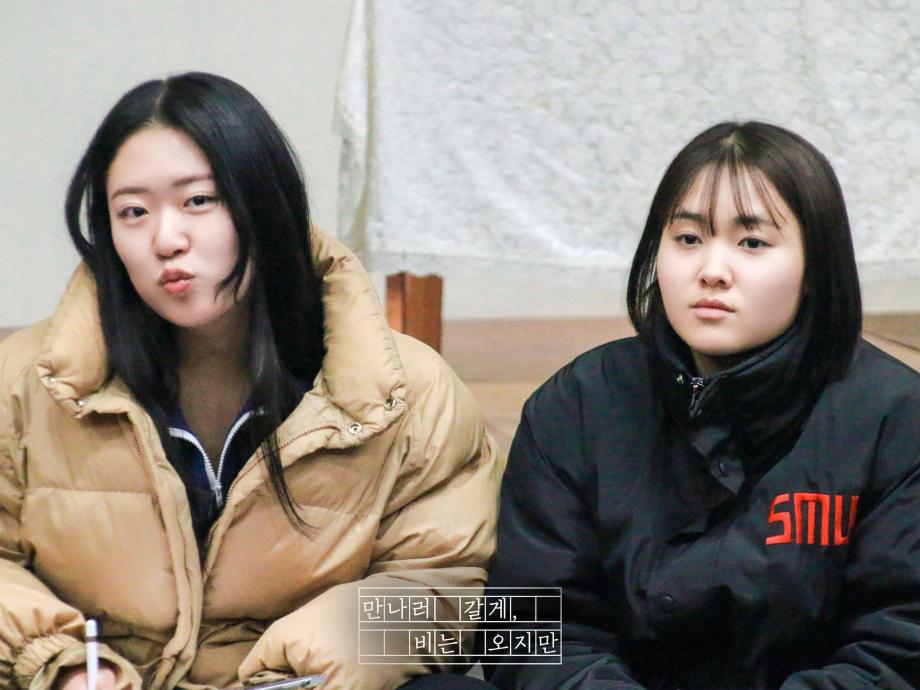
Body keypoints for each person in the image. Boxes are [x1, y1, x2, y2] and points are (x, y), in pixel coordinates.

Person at [0, 72, 502, 690]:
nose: (166, 239)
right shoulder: (25, 381)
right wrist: (64, 665)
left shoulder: (408, 389)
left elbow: (451, 585)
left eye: (199, 201)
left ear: (265, 203)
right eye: (133, 212)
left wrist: (315, 666)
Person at [485, 122, 920, 689]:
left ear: (816, 266)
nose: (712, 271)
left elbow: (900, 644)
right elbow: (527, 627)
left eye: (752, 243)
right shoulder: (578, 404)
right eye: (688, 239)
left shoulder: (893, 417)